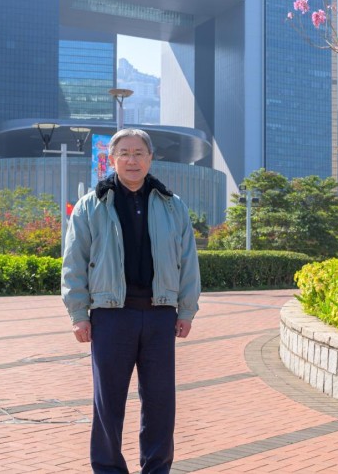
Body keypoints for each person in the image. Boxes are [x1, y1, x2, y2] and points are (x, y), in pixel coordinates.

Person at [62, 128, 200, 474]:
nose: (132, 159)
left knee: (160, 403)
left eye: (139, 152)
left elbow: (188, 261)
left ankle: (156, 468)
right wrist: (79, 313)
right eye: (124, 153)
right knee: (108, 403)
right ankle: (108, 468)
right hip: (111, 316)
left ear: (151, 158)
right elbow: (74, 262)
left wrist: (187, 310)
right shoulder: (91, 204)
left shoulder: (172, 205)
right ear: (112, 159)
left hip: (159, 315)